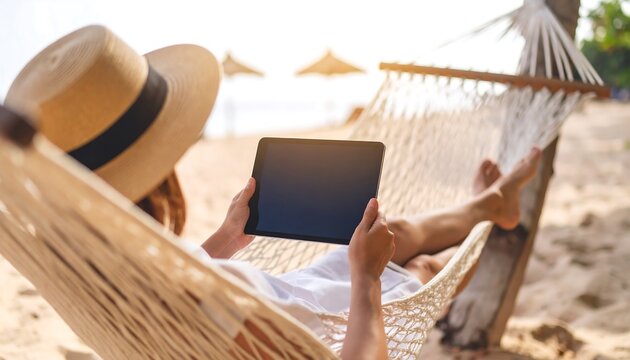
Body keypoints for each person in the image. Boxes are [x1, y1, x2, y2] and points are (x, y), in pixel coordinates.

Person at [5, 25, 541, 359]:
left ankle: (489, 204)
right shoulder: (195, 307)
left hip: (288, 295)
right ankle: (489, 213)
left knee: (393, 230)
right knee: (426, 270)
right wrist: (365, 282)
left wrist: (222, 241)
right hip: (327, 321)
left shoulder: (97, 260)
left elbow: (186, 278)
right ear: (160, 171)